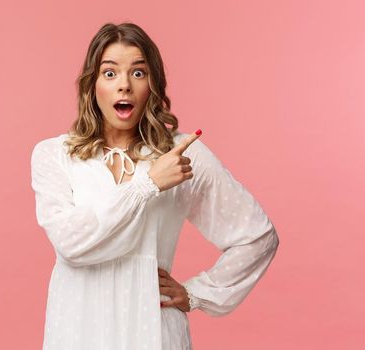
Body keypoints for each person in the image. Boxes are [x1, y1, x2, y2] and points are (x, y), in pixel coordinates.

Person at [29, 22, 280, 350]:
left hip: (153, 330)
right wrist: (147, 184)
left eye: (137, 73)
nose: (124, 86)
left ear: (153, 84)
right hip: (78, 330)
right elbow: (71, 245)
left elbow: (257, 237)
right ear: (92, 85)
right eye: (109, 73)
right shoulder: (55, 155)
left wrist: (197, 294)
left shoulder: (178, 154)